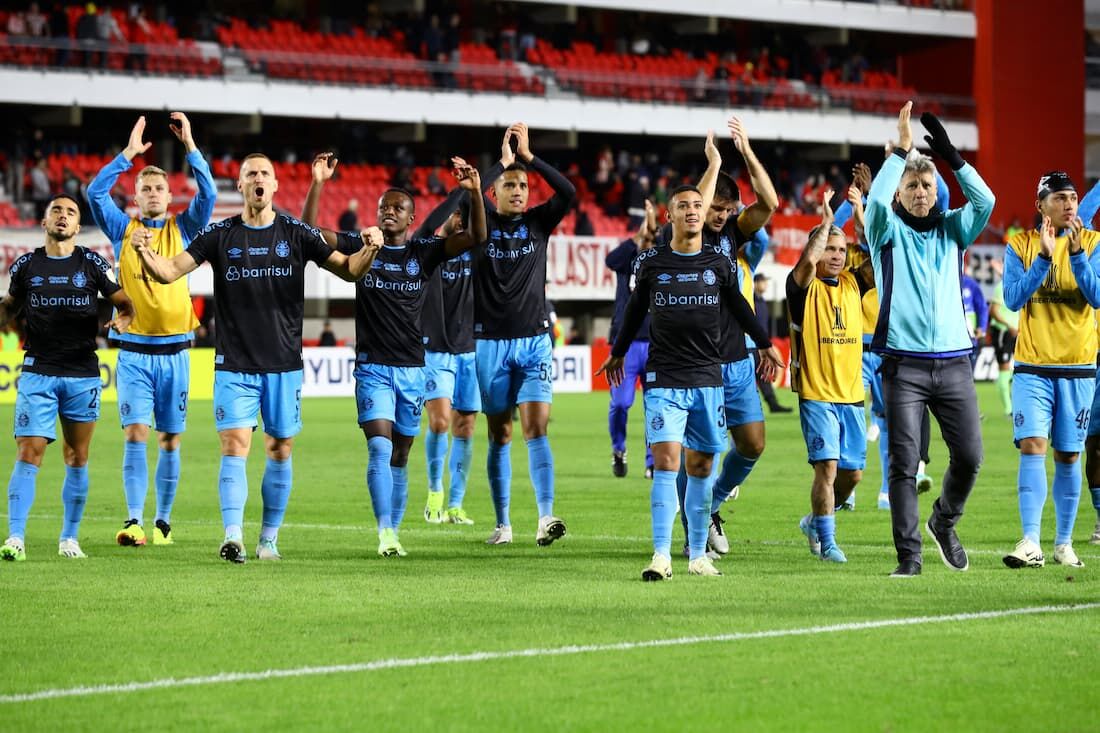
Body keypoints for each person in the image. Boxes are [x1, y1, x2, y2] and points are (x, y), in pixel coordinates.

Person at [130, 152, 381, 563]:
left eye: (265, 173)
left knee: (280, 448)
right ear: (241, 185)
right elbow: (171, 271)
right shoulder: (219, 234)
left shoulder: (297, 233)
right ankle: (233, 536)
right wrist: (144, 252)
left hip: (284, 364)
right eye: (251, 175)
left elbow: (350, 270)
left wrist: (370, 249)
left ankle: (268, 539)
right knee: (235, 445)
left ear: (276, 185)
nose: (259, 179)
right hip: (234, 364)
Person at [598, 132, 784, 580]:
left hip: (716, 373)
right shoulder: (655, 261)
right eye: (692, 207)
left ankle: (698, 548)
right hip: (666, 375)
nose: (702, 213)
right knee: (667, 460)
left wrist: (765, 343)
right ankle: (662, 554)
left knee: (708, 461)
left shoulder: (724, 256)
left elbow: (741, 307)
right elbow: (635, 311)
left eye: (711, 208)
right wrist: (618, 352)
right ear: (672, 214)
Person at [302, 153, 486, 557]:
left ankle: (395, 533)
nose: (388, 212)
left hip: (413, 371)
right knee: (380, 448)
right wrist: (318, 183)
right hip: (373, 370)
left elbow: (474, 238)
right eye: (383, 207)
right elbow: (311, 234)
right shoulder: (364, 246)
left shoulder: (423, 253)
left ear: (410, 217)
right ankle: (385, 532)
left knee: (402, 453)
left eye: (397, 208)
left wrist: (473, 192)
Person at [864, 102, 994, 577]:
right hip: (905, 367)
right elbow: (875, 203)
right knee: (903, 464)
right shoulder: (886, 230)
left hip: (955, 366)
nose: (921, 192)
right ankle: (909, 558)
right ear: (901, 193)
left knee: (972, 457)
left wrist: (955, 162)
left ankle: (944, 520)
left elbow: (986, 203)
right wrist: (900, 152)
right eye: (912, 186)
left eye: (927, 184)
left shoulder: (953, 229)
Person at [85, 113, 216, 548]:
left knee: (171, 439)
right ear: (136, 196)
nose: (153, 193)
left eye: (160, 188)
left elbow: (211, 192)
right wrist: (128, 154)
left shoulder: (187, 228)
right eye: (145, 188)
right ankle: (134, 520)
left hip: (177, 353)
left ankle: (162, 522)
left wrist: (190, 145)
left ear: (170, 194)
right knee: (136, 433)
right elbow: (93, 191)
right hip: (135, 354)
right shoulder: (123, 228)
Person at [658, 116, 779, 559]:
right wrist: (713, 162)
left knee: (753, 443)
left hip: (737, 357)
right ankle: (694, 520)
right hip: (696, 362)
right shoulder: (680, 238)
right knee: (698, 450)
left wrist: (746, 154)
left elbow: (770, 202)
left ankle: (709, 506)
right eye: (716, 209)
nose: (721, 217)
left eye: (728, 211)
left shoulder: (731, 234)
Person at [0, 194, 134, 562]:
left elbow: (124, 303)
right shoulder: (25, 266)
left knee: (77, 455)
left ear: (78, 226)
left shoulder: (92, 263)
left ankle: (69, 538)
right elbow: (10, 306)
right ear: (44, 223)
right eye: (56, 211)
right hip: (37, 371)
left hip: (81, 374)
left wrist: (123, 317)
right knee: (29, 452)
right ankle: (15, 538)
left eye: (71, 212)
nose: (63, 216)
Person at [473, 123, 575, 547]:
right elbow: (467, 196)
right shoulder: (479, 226)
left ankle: (545, 515)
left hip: (534, 340)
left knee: (537, 427)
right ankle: (503, 522)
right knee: (500, 433)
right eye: (508, 184)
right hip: (489, 343)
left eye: (522, 185)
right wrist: (500, 161)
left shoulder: (538, 223)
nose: (517, 190)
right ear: (493, 191)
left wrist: (529, 157)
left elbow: (567, 193)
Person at [1001, 173, 1099, 570]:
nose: (1071, 204)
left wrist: (1074, 256)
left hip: (1077, 367)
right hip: (1032, 367)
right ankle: (1030, 540)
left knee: (1069, 455)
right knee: (1032, 446)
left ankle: (1063, 544)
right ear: (1041, 204)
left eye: (1074, 197)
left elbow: (1096, 296)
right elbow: (1011, 299)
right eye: (1060, 198)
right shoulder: (1021, 245)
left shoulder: (1093, 244)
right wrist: (1043, 258)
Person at [789, 190, 873, 563]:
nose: (836, 256)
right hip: (817, 392)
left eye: (841, 250)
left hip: (853, 394)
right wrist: (825, 223)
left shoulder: (856, 284)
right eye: (829, 249)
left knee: (851, 476)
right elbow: (806, 263)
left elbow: (879, 257)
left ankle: (814, 521)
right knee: (827, 467)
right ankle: (829, 544)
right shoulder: (802, 289)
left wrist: (860, 213)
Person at [416, 192, 481, 526]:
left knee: (466, 426)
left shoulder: (475, 251)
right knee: (439, 420)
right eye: (453, 215)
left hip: (469, 349)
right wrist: (453, 204)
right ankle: (434, 493)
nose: (458, 219)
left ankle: (456, 504)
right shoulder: (427, 251)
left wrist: (474, 194)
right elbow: (426, 228)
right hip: (435, 349)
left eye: (462, 215)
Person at [605, 200, 658, 479]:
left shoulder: (663, 262)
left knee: (655, 405)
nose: (649, 241)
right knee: (621, 403)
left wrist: (653, 232)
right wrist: (638, 237)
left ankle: (652, 461)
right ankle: (618, 448)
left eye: (653, 237)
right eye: (646, 237)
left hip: (657, 344)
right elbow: (609, 260)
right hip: (624, 346)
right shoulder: (627, 262)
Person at [753, 272, 791, 413]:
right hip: (752, 345)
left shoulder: (761, 301)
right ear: (756, 283)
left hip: (761, 345)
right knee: (759, 376)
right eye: (763, 282)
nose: (766, 284)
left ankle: (772, 404)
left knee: (763, 376)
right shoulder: (752, 300)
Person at [960, 272, 988, 371]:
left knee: (969, 375)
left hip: (971, 337)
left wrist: (982, 327)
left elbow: (982, 308)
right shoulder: (944, 281)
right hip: (951, 340)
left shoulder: (970, 283)